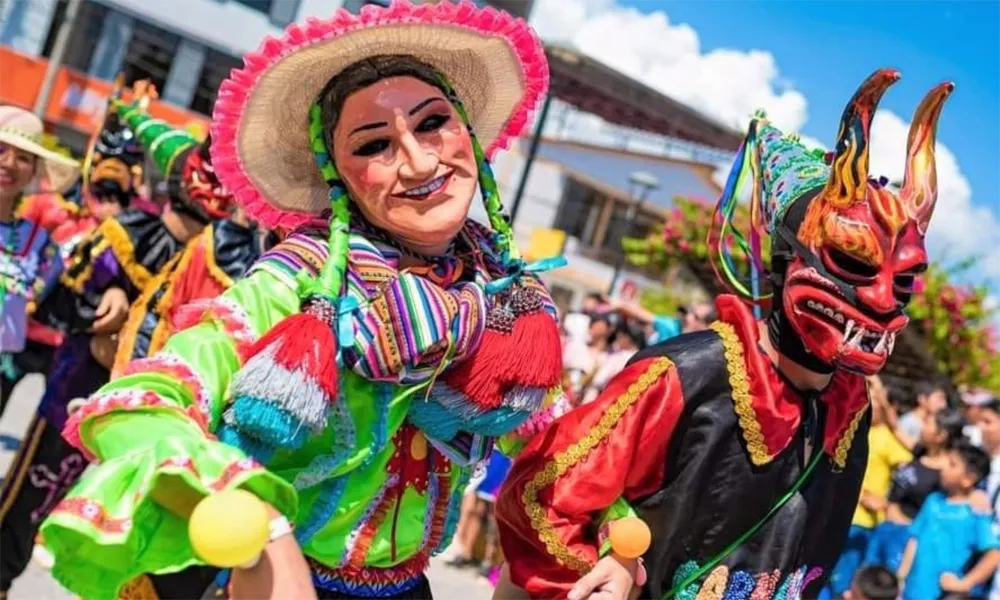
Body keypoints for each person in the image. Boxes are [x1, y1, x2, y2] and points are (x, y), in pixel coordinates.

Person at [38, 3, 580, 598]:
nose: (422, 160)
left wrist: (606, 536)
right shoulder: (299, 281)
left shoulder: (504, 289)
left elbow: (552, 441)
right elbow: (143, 403)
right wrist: (259, 524)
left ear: (468, 133)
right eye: (375, 145)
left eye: (433, 124)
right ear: (339, 175)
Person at [495, 69, 953, 600]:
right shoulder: (687, 376)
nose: (879, 298)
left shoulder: (851, 407)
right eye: (852, 261)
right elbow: (544, 495)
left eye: (904, 279)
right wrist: (613, 561)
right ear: (787, 262)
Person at [0, 84, 202, 598]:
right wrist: (104, 304)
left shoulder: (237, 254)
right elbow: (60, 302)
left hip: (163, 421)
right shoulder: (129, 231)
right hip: (78, 392)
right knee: (23, 514)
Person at [0, 106, 77, 419]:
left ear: (33, 171)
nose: (9, 164)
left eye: (24, 158)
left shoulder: (41, 244)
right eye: (1, 150)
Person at [824, 376, 913, 599]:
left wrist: (886, 504)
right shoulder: (853, 428)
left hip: (862, 521)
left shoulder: (890, 440)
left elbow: (912, 480)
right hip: (833, 512)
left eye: (874, 399)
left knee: (843, 581)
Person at [864, 408, 966, 573]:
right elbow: (895, 428)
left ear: (941, 435)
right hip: (885, 528)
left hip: (905, 538)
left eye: (927, 423)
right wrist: (882, 397)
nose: (921, 426)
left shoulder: (947, 473)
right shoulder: (920, 452)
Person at [896, 442, 1000, 600]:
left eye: (952, 464)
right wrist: (901, 577)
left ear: (968, 479)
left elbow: (994, 555)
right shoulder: (933, 501)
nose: (943, 467)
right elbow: (914, 539)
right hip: (912, 591)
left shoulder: (976, 513)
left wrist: (965, 583)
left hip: (943, 594)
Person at [580, 319, 645, 405]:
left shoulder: (619, 356)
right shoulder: (642, 358)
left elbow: (599, 380)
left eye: (621, 335)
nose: (618, 337)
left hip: (602, 399)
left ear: (628, 338)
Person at [898, 382, 948, 447]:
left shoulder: (937, 422)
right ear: (922, 399)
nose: (943, 405)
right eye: (939, 399)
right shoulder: (907, 423)